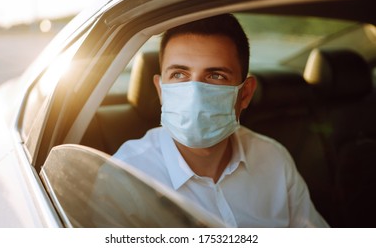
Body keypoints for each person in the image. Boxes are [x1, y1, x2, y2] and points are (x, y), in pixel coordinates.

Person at [111, 14, 329, 227]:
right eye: (179, 74)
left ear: (244, 94)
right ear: (161, 90)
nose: (195, 93)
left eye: (216, 76)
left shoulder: (273, 159)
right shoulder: (123, 178)